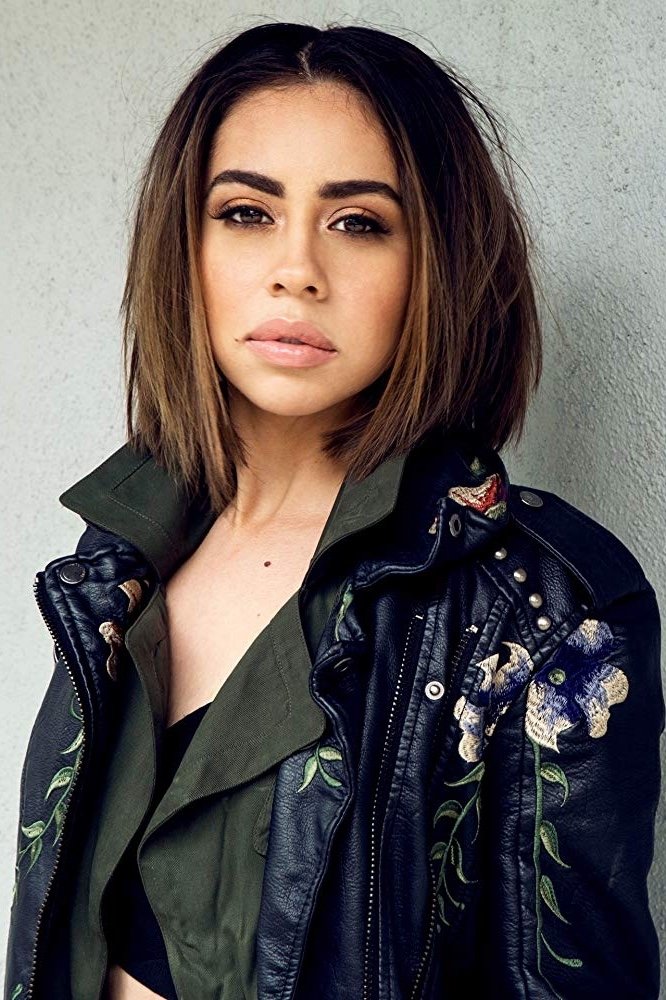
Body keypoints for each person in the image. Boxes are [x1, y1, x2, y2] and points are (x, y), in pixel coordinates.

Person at [4, 20, 663, 1000]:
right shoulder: (118, 553)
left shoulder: (544, 606)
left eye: (358, 222)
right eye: (246, 212)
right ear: (185, 247)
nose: (297, 269)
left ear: (437, 261)